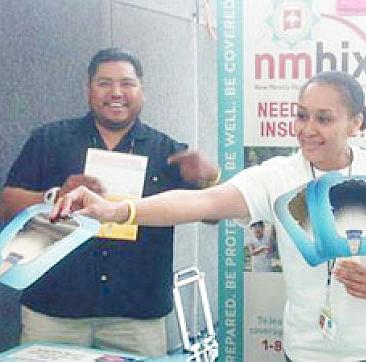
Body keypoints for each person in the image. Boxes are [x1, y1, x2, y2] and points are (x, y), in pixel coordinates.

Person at [54, 71, 366, 361]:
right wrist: (117, 210)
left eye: (324, 119)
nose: (307, 130)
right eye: (301, 116)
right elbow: (201, 204)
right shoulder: (277, 176)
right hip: (308, 351)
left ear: (356, 123)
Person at [0, 48, 219, 357]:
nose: (116, 92)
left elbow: (211, 216)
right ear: (89, 90)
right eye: (104, 83)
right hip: (54, 310)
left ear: (141, 90)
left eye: (127, 84)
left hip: (136, 317)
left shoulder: (167, 151)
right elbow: (7, 204)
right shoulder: (49, 139)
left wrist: (207, 181)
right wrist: (53, 196)